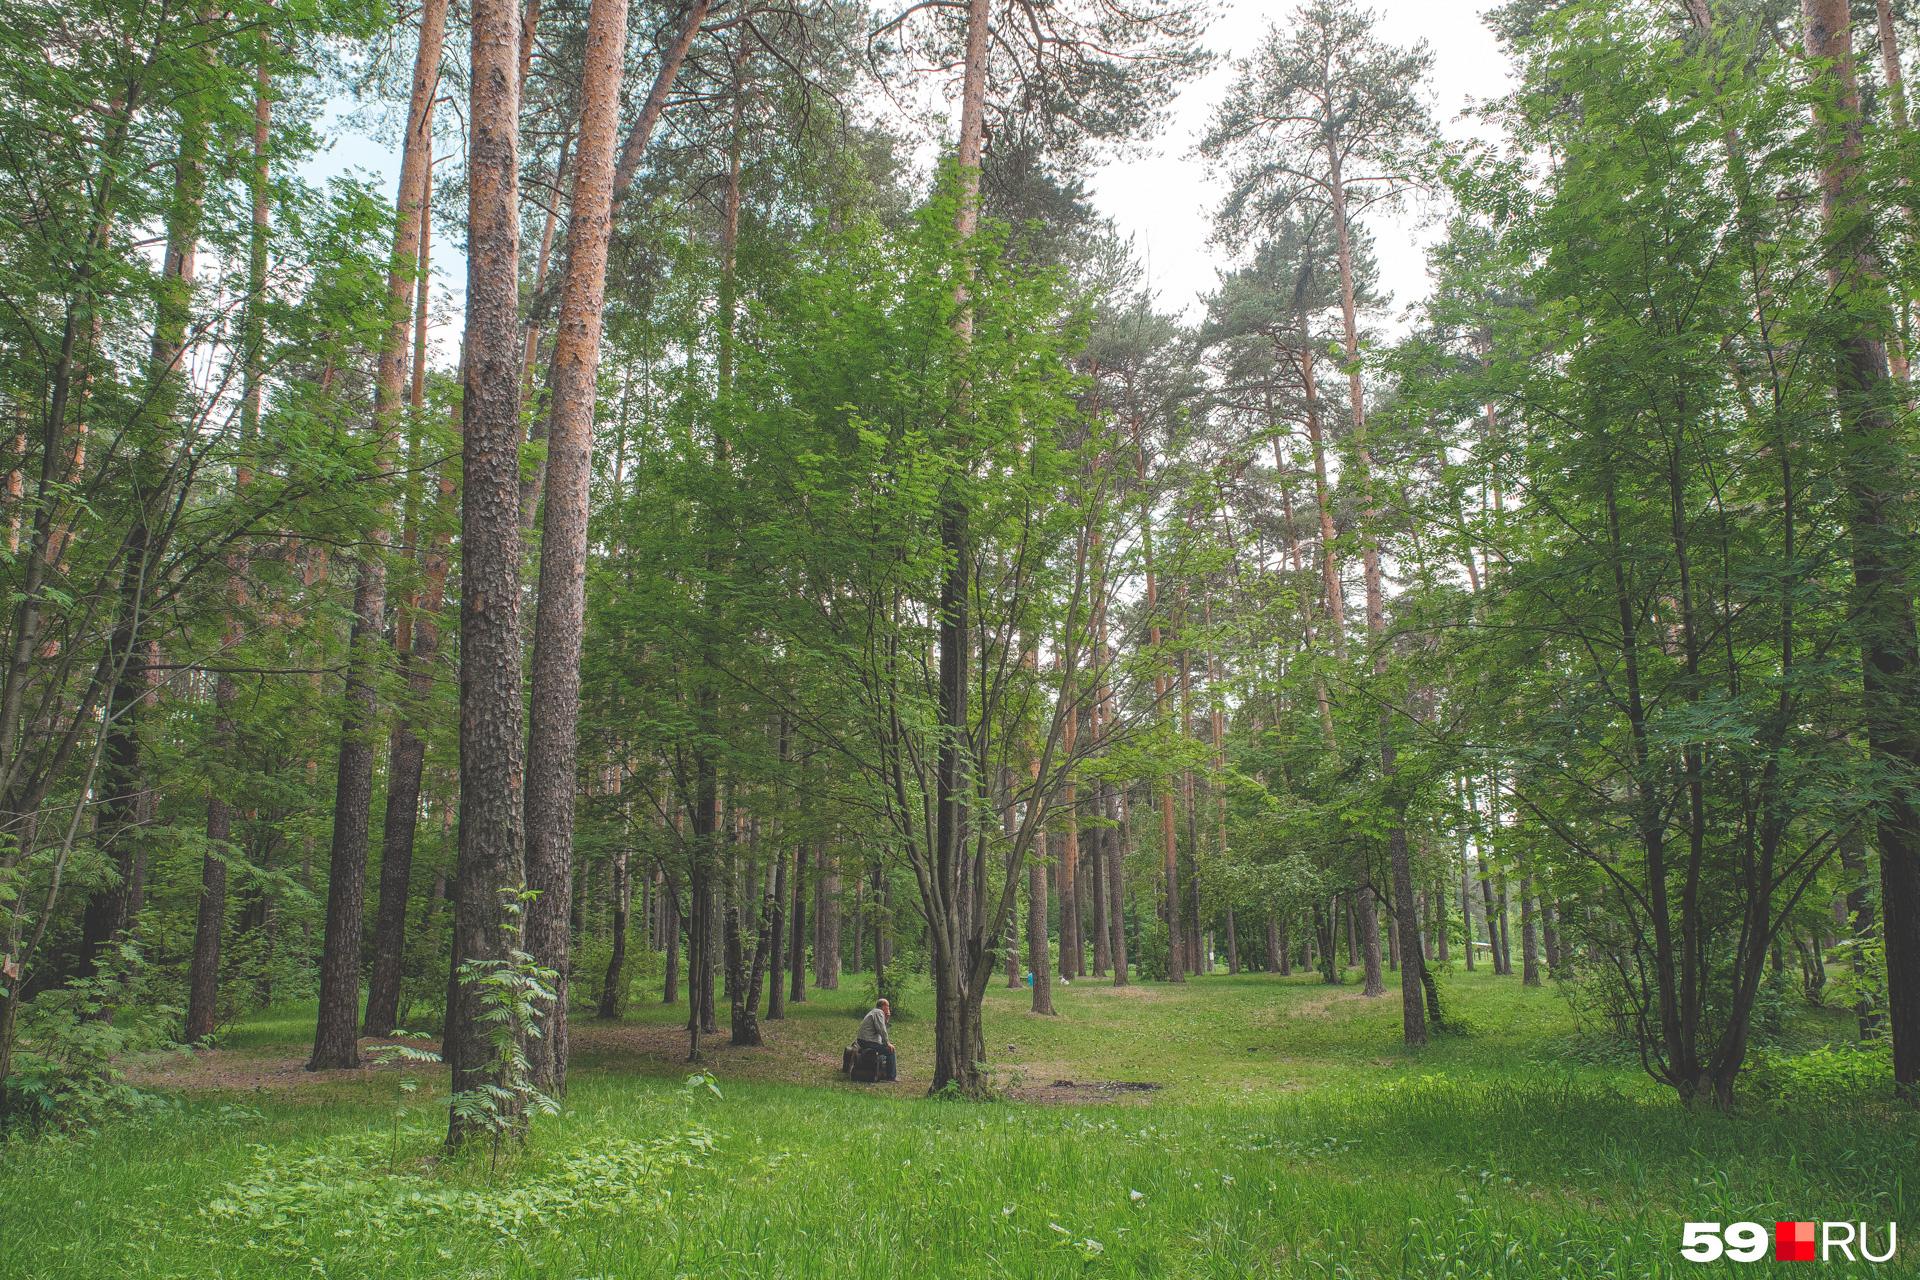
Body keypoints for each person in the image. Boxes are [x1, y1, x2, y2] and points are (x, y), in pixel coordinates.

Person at [856, 998, 897, 1082]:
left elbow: (882, 1027)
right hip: (867, 1041)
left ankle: (886, 1073)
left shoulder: (876, 1012)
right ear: (883, 1006)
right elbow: (881, 1030)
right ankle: (891, 1077)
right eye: (887, 1006)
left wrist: (887, 1018)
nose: (889, 1008)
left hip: (864, 1040)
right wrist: (887, 1043)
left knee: (886, 1049)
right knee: (890, 1050)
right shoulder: (878, 1012)